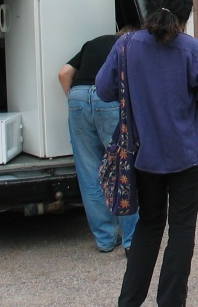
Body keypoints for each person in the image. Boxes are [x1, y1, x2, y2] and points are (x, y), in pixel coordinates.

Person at [96, 0, 198, 307]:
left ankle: (127, 304)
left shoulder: (126, 46)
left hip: (144, 154)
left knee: (149, 225)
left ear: (147, 8)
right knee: (181, 229)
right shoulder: (191, 49)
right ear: (184, 15)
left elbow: (104, 89)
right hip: (186, 155)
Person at [59, 27, 139, 255]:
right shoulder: (132, 46)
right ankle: (132, 240)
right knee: (123, 169)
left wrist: (79, 103)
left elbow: (64, 74)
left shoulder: (93, 43)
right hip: (109, 99)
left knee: (89, 173)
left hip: (78, 96)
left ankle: (105, 239)